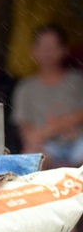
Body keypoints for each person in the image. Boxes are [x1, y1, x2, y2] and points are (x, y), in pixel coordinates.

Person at [12, 24, 83, 167]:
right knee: (31, 157)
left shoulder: (77, 81)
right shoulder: (25, 88)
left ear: (64, 50)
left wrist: (48, 130)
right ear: (33, 51)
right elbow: (26, 130)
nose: (47, 53)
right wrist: (38, 139)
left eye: (52, 48)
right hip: (47, 147)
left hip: (78, 143)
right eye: (42, 48)